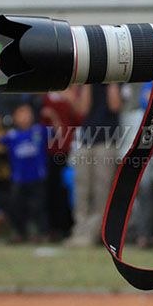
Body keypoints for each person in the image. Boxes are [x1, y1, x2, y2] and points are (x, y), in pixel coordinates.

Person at [68, 84, 122, 247]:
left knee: (102, 190)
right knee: (82, 188)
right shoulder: (87, 80)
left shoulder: (118, 81)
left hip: (107, 141)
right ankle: (80, 229)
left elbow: (115, 105)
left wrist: (112, 80)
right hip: (86, 140)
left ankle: (94, 233)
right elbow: (83, 109)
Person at [40, 87, 89, 241]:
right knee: (52, 190)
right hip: (49, 150)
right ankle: (54, 228)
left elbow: (80, 118)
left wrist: (71, 100)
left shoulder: (74, 93)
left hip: (69, 149)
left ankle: (68, 227)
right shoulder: (48, 97)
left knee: (69, 190)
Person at [0, 102, 49, 242]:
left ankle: (40, 232)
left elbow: (58, 133)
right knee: (18, 207)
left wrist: (53, 116)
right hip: (19, 179)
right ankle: (20, 233)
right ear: (14, 117)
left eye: (27, 113)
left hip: (37, 178)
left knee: (38, 207)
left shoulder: (38, 131)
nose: (25, 117)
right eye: (20, 113)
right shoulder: (12, 135)